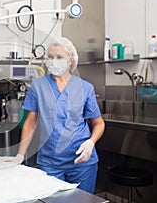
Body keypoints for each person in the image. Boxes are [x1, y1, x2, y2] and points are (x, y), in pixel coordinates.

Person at [7, 37, 105, 193]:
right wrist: (20, 155)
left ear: (70, 60)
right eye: (50, 57)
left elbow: (98, 122)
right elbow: (30, 123)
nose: (53, 61)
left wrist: (91, 143)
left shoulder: (85, 88)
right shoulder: (38, 86)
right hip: (50, 161)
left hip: (82, 161)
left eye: (59, 57)